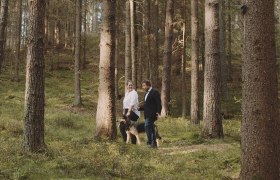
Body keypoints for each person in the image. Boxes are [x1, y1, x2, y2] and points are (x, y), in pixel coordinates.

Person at [139, 80, 162, 148]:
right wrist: (139, 108)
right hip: (147, 114)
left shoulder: (154, 92)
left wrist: (158, 112)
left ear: (149, 85)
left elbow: (158, 103)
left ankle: (149, 142)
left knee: (147, 126)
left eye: (144, 85)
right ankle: (153, 144)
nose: (143, 87)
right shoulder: (146, 94)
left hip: (152, 114)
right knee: (151, 128)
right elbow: (147, 105)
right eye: (142, 86)